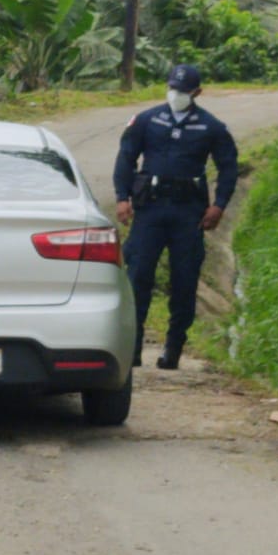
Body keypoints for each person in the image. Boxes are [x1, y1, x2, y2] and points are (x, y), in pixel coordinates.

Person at [112, 63, 239, 370]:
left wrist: (219, 205)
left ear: (197, 93)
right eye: (172, 88)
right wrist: (121, 197)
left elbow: (228, 166)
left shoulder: (211, 127)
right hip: (150, 209)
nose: (176, 95)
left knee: (184, 280)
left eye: (183, 91)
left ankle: (173, 349)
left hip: (188, 213)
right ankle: (134, 346)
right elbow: (126, 156)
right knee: (138, 275)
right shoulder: (147, 120)